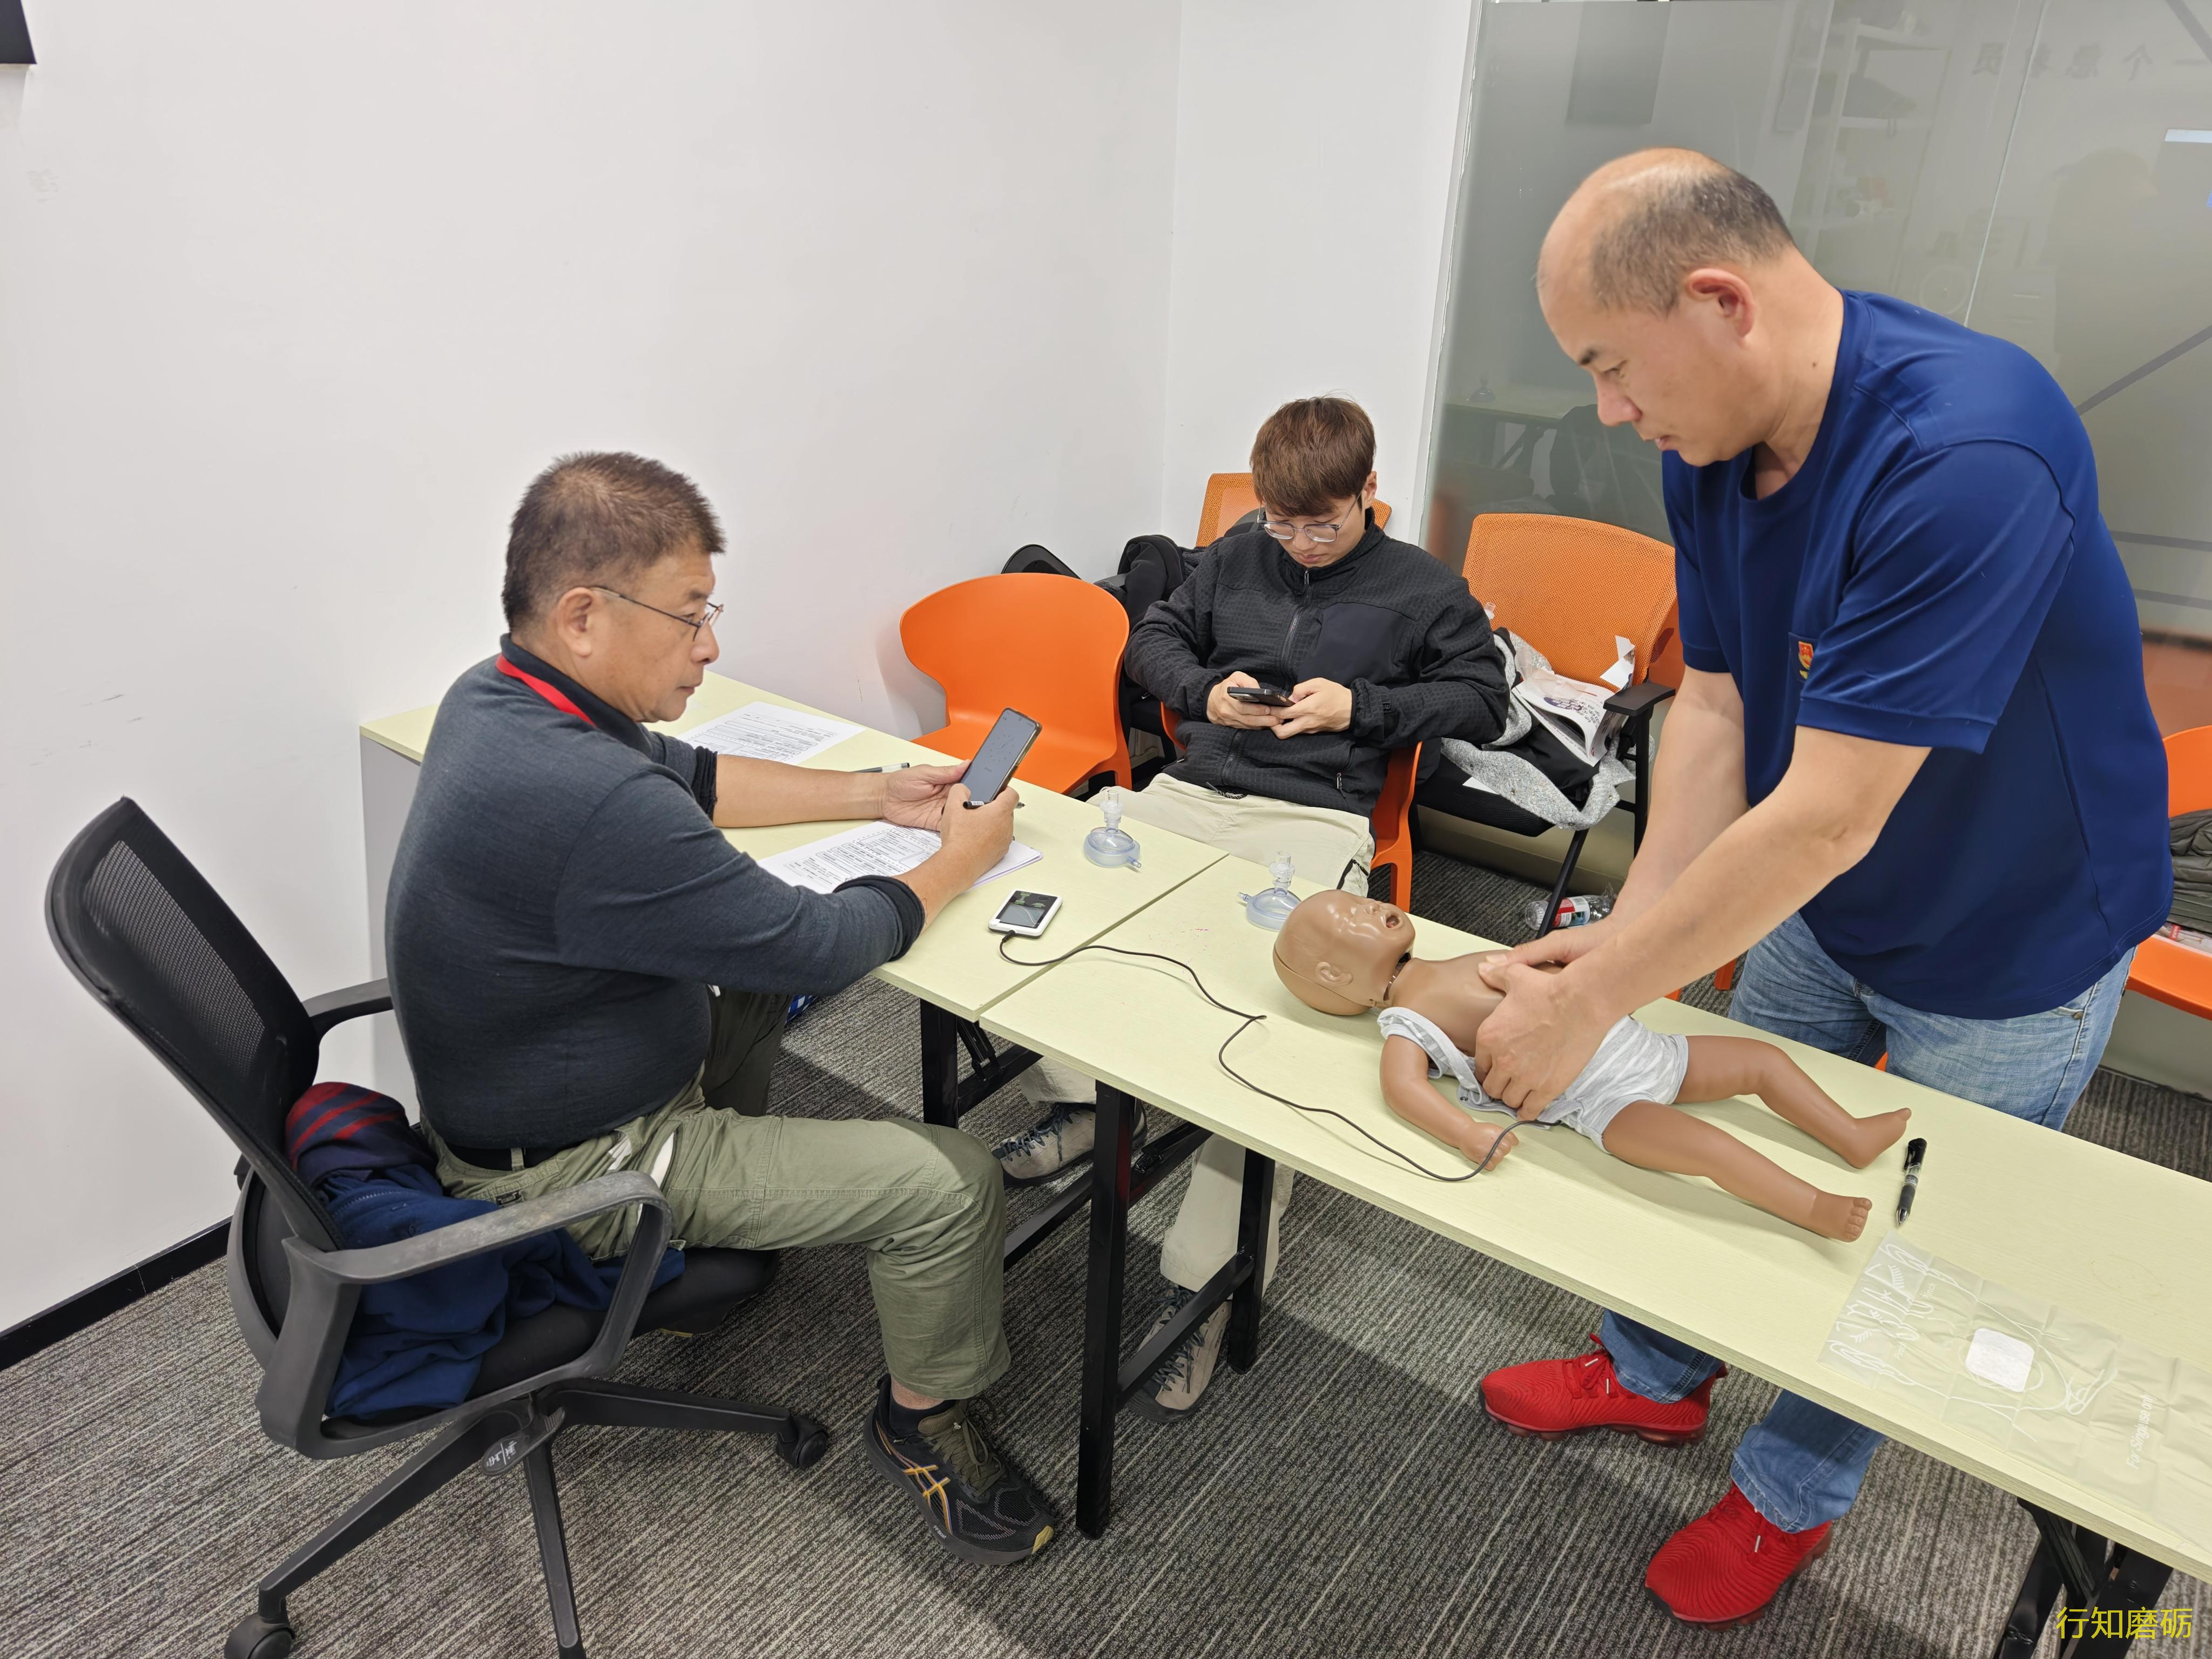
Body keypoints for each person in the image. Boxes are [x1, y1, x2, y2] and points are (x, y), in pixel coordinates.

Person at [1470, 152, 2172, 1627]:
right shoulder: (1711, 442)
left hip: (2015, 931)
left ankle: (1792, 1490)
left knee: (1902, 1223)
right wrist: (1634, 951)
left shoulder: (1970, 451)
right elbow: (1719, 709)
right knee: (1712, 1122)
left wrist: (1592, 1001)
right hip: (1820, 893)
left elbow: (1832, 816)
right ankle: (1655, 1370)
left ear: (1718, 301)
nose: (1608, 410)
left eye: (1610, 365)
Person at [386, 451, 1058, 1564]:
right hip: (578, 1168)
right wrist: (960, 858)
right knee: (950, 1182)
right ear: (584, 616)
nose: (708, 645)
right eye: (689, 615)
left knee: (748, 975)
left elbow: (690, 778)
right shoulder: (588, 797)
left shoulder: (498, 693)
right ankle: (922, 1418)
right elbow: (823, 942)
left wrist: (875, 795)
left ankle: (706, 1255)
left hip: (534, 1086)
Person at [990, 396, 1510, 1419]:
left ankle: (1201, 1287)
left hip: (1310, 819)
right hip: (1190, 791)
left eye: (1322, 524)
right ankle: (1088, 1097)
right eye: (1282, 523)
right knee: (1037, 912)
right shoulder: (1237, 554)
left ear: (1370, 493)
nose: (1299, 543)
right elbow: (1152, 638)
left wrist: (1365, 707)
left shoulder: (1423, 589)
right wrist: (1202, 692)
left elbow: (1484, 701)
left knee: (1268, 1043)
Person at [1269, 891, 1910, 1239]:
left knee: (1763, 1061)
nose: (1366, 905)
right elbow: (1401, 1088)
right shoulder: (1407, 1023)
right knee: (1710, 1148)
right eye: (1349, 917)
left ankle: (1849, 1135)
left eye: (1354, 899)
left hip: (1644, 1049)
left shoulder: (1448, 959)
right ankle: (1813, 1209)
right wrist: (1464, 1133)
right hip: (1604, 1102)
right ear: (1335, 975)